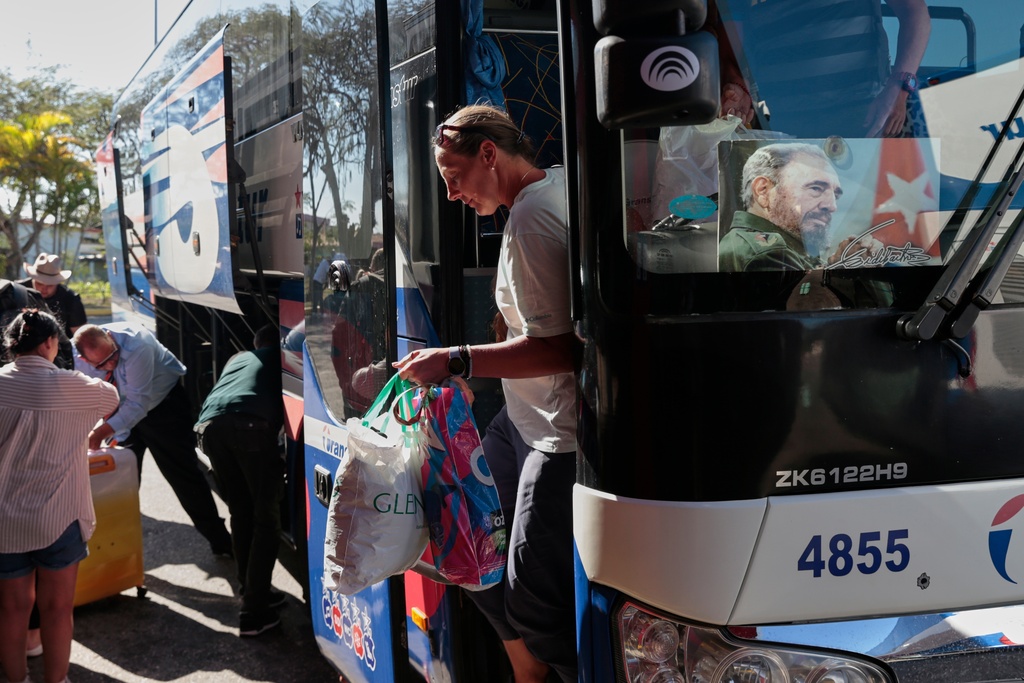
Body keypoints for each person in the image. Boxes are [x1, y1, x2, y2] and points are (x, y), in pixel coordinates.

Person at [393, 104, 577, 683]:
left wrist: (456, 359)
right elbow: (539, 327)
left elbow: (563, 349)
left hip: (556, 431)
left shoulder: (530, 221)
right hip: (521, 419)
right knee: (463, 543)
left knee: (534, 603)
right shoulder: (554, 188)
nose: (452, 195)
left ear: (488, 155)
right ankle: (527, 668)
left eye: (453, 177)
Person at [0, 308, 119, 683]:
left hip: (4, 520)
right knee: (56, 609)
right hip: (60, 517)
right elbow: (112, 398)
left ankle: (15, 678)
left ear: (12, 345)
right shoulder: (79, 388)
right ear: (51, 343)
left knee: (11, 610)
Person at [72, 322, 232, 557]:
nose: (111, 364)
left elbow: (138, 404)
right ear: (84, 359)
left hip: (162, 408)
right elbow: (87, 396)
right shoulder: (79, 359)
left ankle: (223, 543)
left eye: (113, 356)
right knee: (117, 482)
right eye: (101, 364)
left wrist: (98, 433)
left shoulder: (137, 344)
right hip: (122, 410)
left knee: (184, 477)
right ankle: (115, 548)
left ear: (109, 336)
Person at [711, 0, 930, 138]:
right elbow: (733, 32)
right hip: (784, 125)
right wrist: (737, 83)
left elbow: (914, 11)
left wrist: (898, 87)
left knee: (881, 208)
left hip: (863, 115)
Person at [194, 324, 286, 638]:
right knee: (266, 518)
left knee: (241, 512)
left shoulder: (238, 359)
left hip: (208, 428)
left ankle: (251, 590)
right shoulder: (284, 354)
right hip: (248, 426)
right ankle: (254, 612)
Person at [719, 142, 845, 272]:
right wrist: (845, 270)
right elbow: (807, 292)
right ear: (763, 190)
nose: (832, 206)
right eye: (816, 188)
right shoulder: (769, 254)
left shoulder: (747, 243)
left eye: (835, 195)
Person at [19, 253, 88, 339]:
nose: (44, 288)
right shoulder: (17, 292)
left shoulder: (71, 299)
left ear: (57, 282)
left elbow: (81, 336)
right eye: (40, 283)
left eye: (49, 285)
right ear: (33, 278)